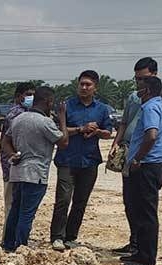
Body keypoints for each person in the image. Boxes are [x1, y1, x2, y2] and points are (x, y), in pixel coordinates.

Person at [109, 57, 162, 255]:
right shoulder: (134, 98)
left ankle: (144, 251)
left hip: (146, 158)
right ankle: (135, 242)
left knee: (144, 206)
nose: (139, 84)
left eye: (143, 79)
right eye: (137, 79)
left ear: (153, 76)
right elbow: (124, 123)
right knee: (131, 201)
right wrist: (116, 143)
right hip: (131, 152)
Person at [50, 70, 114, 251]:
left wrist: (97, 132)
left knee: (80, 201)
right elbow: (57, 132)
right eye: (82, 84)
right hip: (67, 160)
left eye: (88, 85)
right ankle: (57, 236)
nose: (84, 87)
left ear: (95, 87)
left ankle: (71, 236)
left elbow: (108, 133)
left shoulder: (102, 109)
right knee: (63, 199)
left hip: (90, 161)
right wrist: (80, 129)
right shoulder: (66, 106)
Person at [0, 86, 68, 252]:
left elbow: (5, 141)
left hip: (17, 172)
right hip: (36, 174)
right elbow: (63, 142)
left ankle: (8, 245)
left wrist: (11, 155)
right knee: (26, 213)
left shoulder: (19, 118)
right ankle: (21, 247)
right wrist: (62, 118)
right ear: (48, 102)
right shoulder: (45, 122)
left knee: (15, 210)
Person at [121, 76, 162, 265]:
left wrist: (137, 158)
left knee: (145, 212)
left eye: (139, 87)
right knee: (142, 210)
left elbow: (151, 135)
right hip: (155, 165)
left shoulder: (150, 108)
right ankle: (140, 252)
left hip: (146, 166)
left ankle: (146, 256)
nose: (136, 91)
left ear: (147, 90)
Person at [0, 83, 36, 220]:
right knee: (12, 205)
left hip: (20, 166)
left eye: (33, 94)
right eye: (28, 94)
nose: (31, 97)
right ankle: (9, 239)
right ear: (18, 96)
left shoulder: (27, 113)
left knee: (18, 205)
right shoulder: (16, 114)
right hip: (13, 166)